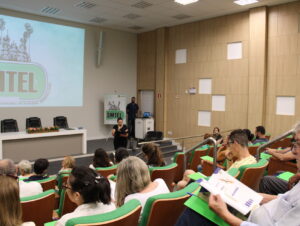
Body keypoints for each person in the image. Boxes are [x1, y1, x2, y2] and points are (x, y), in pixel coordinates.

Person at [175, 123, 300, 226]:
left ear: (235, 143)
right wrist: (250, 196)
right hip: (253, 213)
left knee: (195, 207)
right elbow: (283, 199)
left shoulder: (241, 166)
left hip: (248, 221)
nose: (295, 151)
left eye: (298, 144)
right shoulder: (247, 161)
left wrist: (225, 214)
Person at [176, 129, 256, 190]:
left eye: (229, 144)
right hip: (220, 183)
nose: (229, 148)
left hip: (215, 188)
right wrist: (229, 160)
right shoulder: (251, 160)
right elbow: (231, 174)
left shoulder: (242, 166)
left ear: (235, 143)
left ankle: (182, 199)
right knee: (188, 172)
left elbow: (227, 184)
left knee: (181, 183)